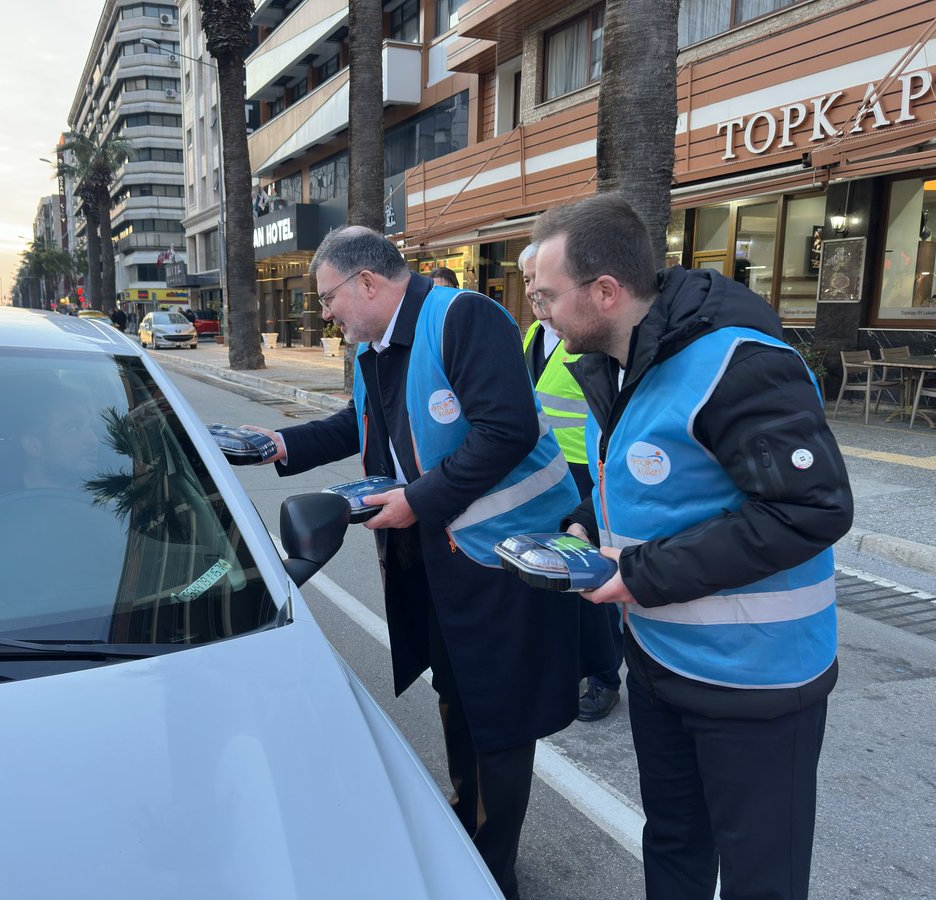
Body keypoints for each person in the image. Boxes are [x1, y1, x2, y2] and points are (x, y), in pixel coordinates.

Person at [245, 226, 616, 900]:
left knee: (499, 720)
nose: (325, 313)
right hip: (436, 564)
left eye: (329, 298)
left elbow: (505, 431)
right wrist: (276, 445)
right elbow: (356, 425)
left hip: (503, 562)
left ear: (368, 283)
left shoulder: (464, 318)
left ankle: (492, 869)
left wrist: (417, 501)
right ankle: (467, 827)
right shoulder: (376, 349)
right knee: (457, 698)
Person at [529, 193, 853, 900]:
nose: (538, 313)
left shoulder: (736, 362)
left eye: (546, 295)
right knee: (673, 845)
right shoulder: (627, 357)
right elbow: (663, 484)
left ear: (605, 292)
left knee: (759, 881)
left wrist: (639, 572)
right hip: (660, 661)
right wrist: (587, 522)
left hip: (758, 684)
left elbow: (811, 508)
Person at [518, 241, 623, 722]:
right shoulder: (533, 336)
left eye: (541, 286)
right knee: (565, 577)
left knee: (597, 576)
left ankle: (605, 678)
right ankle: (578, 663)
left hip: (588, 472)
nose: (532, 295)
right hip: (549, 470)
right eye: (526, 283)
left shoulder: (588, 336)